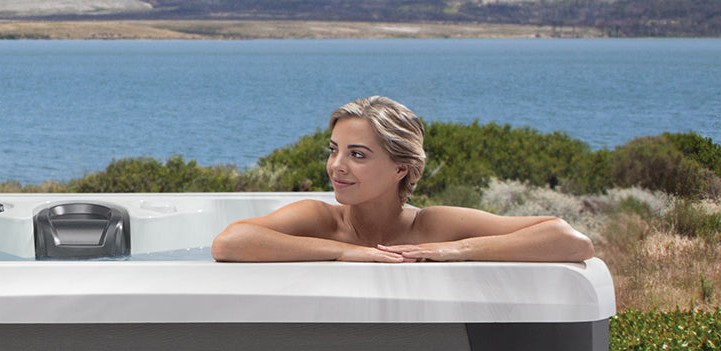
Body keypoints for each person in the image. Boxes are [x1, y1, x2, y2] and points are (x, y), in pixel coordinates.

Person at [212, 96, 595, 263]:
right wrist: (345, 252)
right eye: (334, 150)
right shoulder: (320, 220)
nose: (337, 166)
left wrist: (458, 250)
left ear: (401, 168)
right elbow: (230, 242)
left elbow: (569, 240)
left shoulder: (433, 225)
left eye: (357, 154)